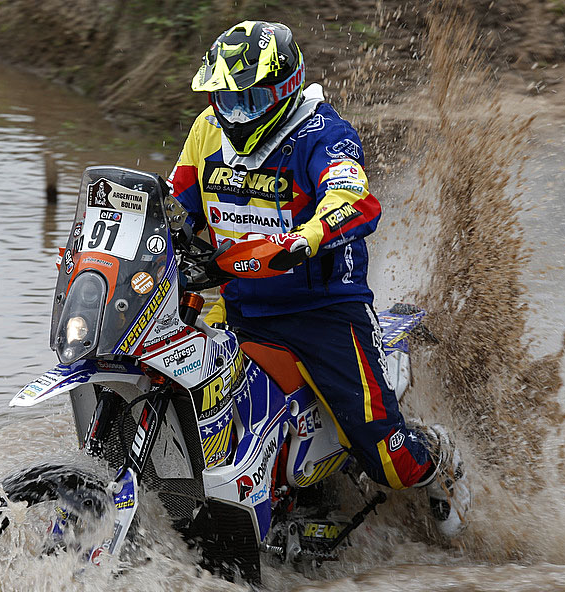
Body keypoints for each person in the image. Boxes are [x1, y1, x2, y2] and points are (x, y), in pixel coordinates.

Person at [168, 20, 470, 537]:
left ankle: (439, 458)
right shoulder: (206, 131)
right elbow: (177, 204)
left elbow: (353, 200)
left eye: (248, 100)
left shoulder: (323, 135)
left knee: (386, 462)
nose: (234, 114)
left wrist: (305, 239)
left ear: (283, 90)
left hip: (323, 312)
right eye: (225, 99)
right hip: (237, 302)